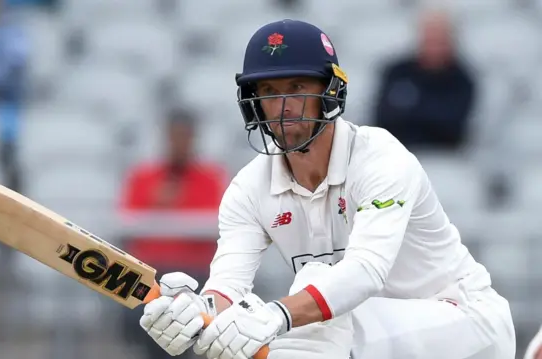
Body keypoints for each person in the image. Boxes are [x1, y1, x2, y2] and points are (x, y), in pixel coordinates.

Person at [138, 19, 516, 359]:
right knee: (289, 325)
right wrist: (195, 310)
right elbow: (228, 287)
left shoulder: (380, 157)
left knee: (309, 301)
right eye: (269, 91)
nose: (283, 106)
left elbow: (366, 271)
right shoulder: (248, 188)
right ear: (253, 105)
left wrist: (274, 316)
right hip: (358, 338)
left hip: (467, 326)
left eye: (297, 87)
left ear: (330, 93)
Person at [117, 107, 227, 359]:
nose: (179, 143)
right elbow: (127, 224)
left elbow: (217, 226)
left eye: (184, 136)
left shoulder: (211, 178)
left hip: (196, 274)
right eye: (174, 136)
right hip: (151, 274)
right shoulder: (143, 177)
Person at [373, 9, 476, 152]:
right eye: (429, 39)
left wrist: (409, 113)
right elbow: (383, 117)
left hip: (444, 158)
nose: (434, 46)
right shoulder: (396, 72)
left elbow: (452, 126)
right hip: (394, 152)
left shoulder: (463, 79)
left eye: (439, 40)